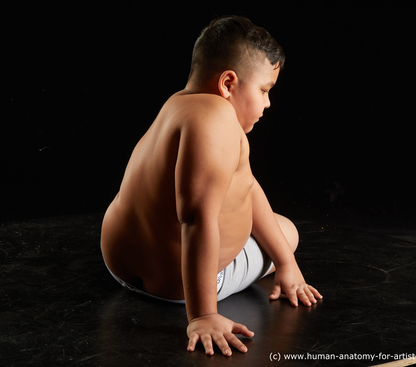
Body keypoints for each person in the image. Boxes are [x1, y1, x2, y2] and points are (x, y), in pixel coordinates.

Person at [100, 15, 322, 357]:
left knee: (269, 230)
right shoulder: (217, 119)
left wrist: (287, 264)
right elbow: (195, 219)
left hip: (120, 266)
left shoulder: (177, 104)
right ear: (228, 84)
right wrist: (203, 315)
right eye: (264, 90)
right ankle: (203, 301)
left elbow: (245, 186)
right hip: (176, 288)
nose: (267, 104)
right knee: (287, 231)